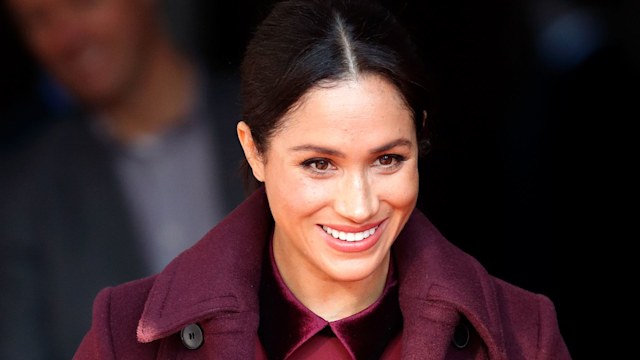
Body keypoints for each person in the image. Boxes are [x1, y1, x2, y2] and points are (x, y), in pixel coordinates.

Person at [74, 0, 572, 358]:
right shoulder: (127, 336)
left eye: (387, 160)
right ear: (254, 151)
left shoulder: (523, 335)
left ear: (419, 140)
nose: (359, 206)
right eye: (320, 164)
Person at [0, 0, 244, 358]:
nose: (67, 37)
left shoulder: (284, 126)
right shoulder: (23, 195)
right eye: (38, 19)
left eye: (83, 5)